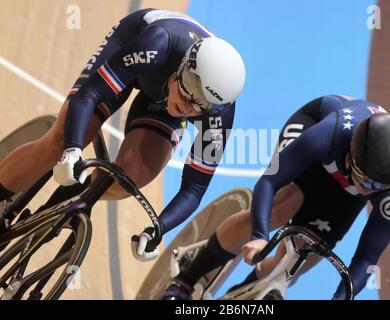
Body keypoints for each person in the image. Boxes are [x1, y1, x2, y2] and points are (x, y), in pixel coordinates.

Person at [0, 9, 245, 261]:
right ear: (184, 66)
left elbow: (193, 190)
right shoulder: (159, 42)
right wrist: (72, 149)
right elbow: (89, 95)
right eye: (189, 91)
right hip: (136, 48)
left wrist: (157, 229)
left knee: (130, 176)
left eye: (201, 106)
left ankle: (59, 209)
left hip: (164, 88)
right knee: (60, 142)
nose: (189, 107)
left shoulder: (219, 115)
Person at [162, 95, 390, 300]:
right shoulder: (329, 134)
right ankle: (186, 277)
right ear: (353, 156)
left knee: (309, 251)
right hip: (313, 128)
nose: (368, 189)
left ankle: (242, 295)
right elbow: (269, 182)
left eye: (376, 187)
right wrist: (260, 237)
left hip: (344, 176)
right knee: (280, 208)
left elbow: (367, 257)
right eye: (364, 180)